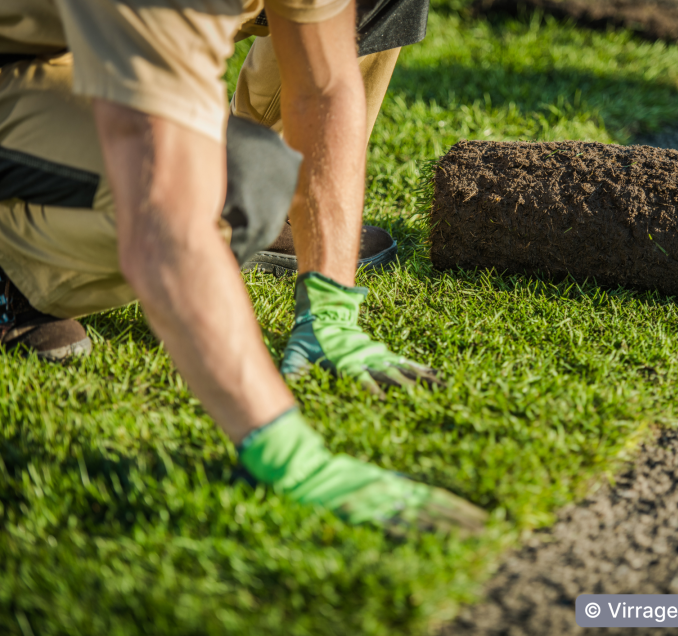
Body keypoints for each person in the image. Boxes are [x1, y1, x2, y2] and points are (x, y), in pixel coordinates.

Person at [0, 1, 485, 535]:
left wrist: (329, 311)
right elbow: (165, 211)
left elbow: (323, 87)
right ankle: (15, 274)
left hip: (85, 43)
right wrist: (288, 454)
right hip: (26, 63)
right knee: (238, 182)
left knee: (238, 176)